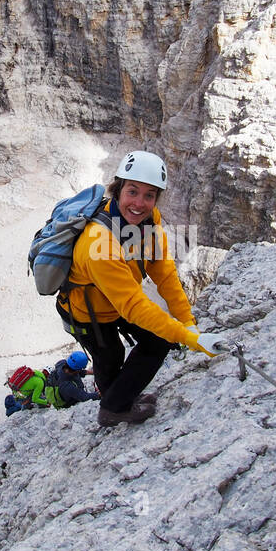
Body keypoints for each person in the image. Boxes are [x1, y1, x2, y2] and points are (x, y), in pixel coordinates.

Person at [58, 151, 224, 426]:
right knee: (110, 357)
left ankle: (118, 401)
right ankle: (113, 410)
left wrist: (187, 322)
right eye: (132, 191)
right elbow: (133, 306)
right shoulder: (97, 243)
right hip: (88, 313)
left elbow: (164, 273)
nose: (139, 203)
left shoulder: (148, 221)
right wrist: (190, 339)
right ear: (118, 188)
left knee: (158, 340)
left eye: (149, 195)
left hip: (116, 300)